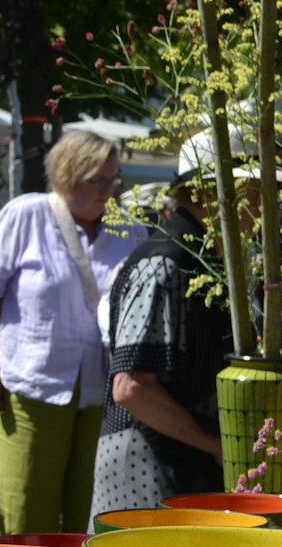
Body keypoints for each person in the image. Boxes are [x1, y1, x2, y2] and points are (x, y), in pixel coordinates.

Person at [0, 130, 134, 537]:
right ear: (67, 175)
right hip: (31, 389)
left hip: (103, 394)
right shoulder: (25, 216)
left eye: (114, 180)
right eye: (98, 180)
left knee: (91, 519)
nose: (109, 191)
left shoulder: (129, 230)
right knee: (25, 515)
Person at [91, 172, 235, 515]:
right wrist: (216, 444)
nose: (261, 206)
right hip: (145, 465)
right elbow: (131, 387)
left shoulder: (197, 254)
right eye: (255, 191)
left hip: (178, 462)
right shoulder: (166, 261)